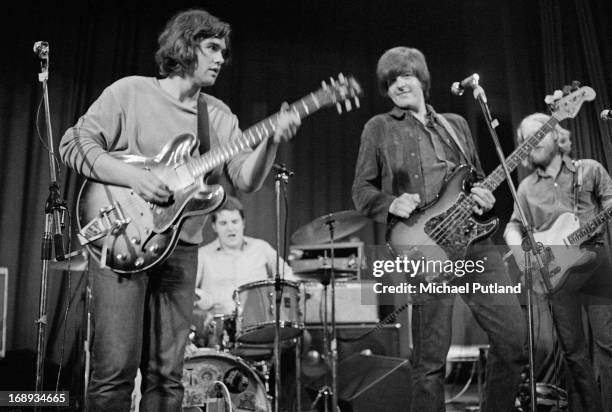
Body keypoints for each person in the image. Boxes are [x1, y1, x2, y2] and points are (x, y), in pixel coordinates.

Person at [59, 9, 301, 411]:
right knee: (115, 371)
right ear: (185, 47)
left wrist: (271, 140)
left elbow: (245, 179)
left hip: (181, 251)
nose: (221, 58)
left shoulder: (219, 115)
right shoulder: (130, 92)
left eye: (223, 50)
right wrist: (134, 179)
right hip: (122, 237)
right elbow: (74, 144)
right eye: (211, 48)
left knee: (168, 376)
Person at [351, 46, 526, 411]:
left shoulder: (456, 124)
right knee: (430, 360)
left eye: (406, 75)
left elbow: (474, 178)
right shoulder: (380, 128)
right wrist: (390, 204)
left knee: (514, 341)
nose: (399, 84)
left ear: (422, 79)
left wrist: (483, 197)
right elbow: (361, 191)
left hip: (474, 243)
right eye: (391, 80)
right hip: (423, 246)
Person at [504, 112, 612, 412]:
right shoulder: (526, 188)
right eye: (525, 140)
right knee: (573, 353)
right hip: (556, 273)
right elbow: (512, 226)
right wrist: (523, 255)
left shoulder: (588, 170)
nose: (530, 144)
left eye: (536, 136)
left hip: (595, 262)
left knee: (608, 344)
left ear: (555, 135)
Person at [192, 196, 295, 346]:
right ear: (214, 227)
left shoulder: (261, 248)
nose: (230, 228)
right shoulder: (203, 255)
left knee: (298, 338)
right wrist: (203, 301)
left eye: (235, 222)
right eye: (223, 223)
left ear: (243, 223)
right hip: (219, 328)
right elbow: (188, 291)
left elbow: (289, 275)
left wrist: (279, 298)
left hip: (260, 324)